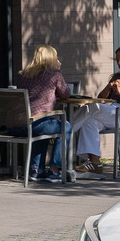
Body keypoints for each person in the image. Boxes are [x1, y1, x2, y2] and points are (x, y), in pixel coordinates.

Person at [71, 44, 120, 175]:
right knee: (89, 121)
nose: (119, 63)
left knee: (91, 108)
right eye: (117, 60)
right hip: (112, 112)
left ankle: (64, 132)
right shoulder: (116, 77)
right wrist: (108, 87)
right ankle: (95, 164)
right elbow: (101, 98)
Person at [15, 45, 73, 183]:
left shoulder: (24, 74)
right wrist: (58, 72)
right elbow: (66, 94)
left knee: (45, 125)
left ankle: (36, 170)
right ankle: (54, 170)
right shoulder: (54, 74)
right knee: (66, 126)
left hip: (17, 125)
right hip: (36, 124)